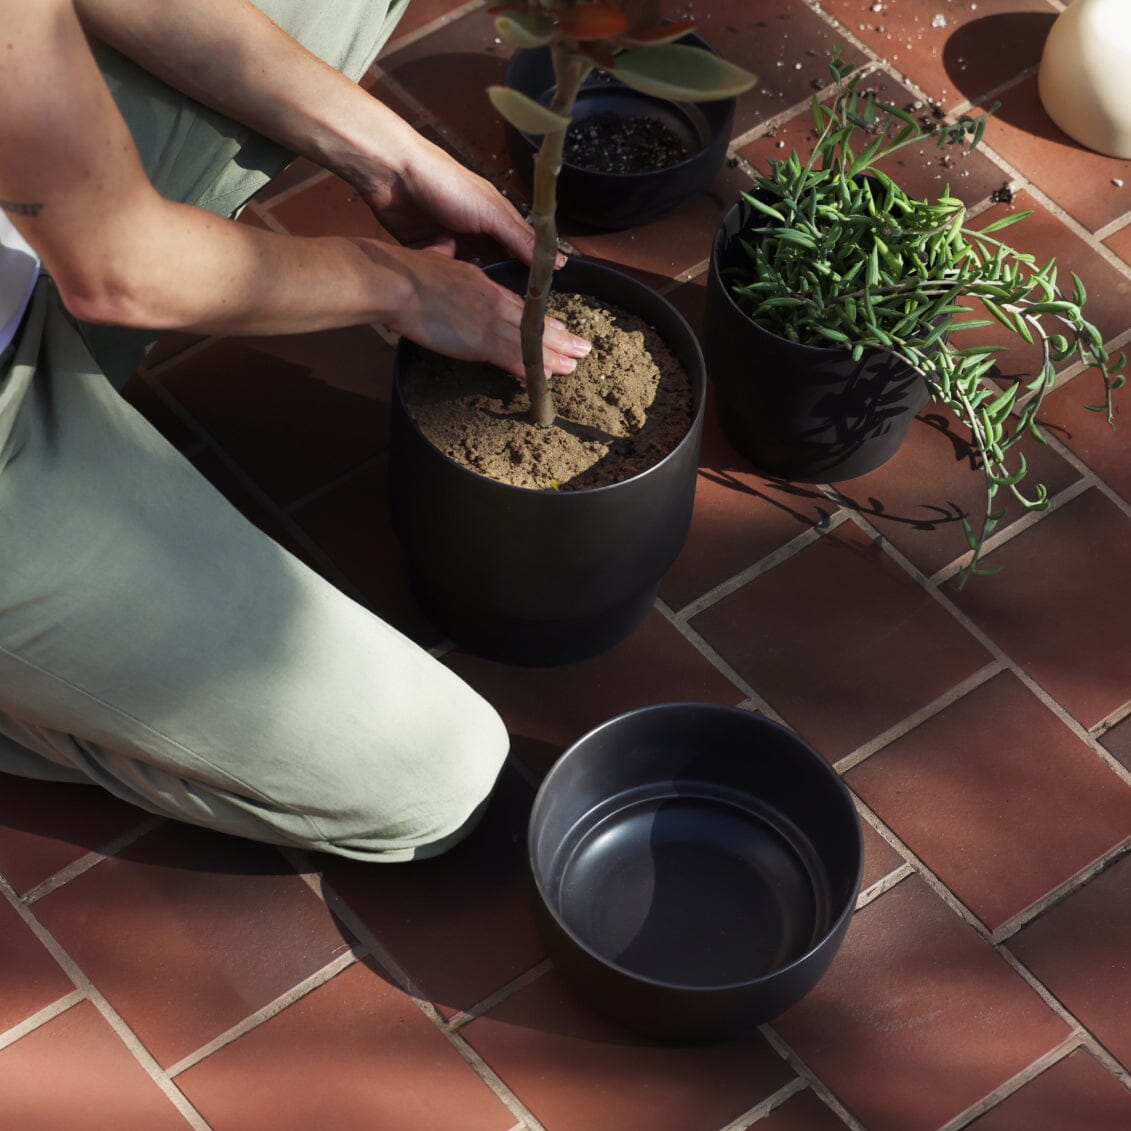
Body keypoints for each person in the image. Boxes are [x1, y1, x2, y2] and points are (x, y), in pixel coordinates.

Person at [0, 0, 592, 861]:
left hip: (32, 242)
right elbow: (120, 267)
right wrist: (399, 283)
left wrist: (389, 155)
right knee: (434, 777)